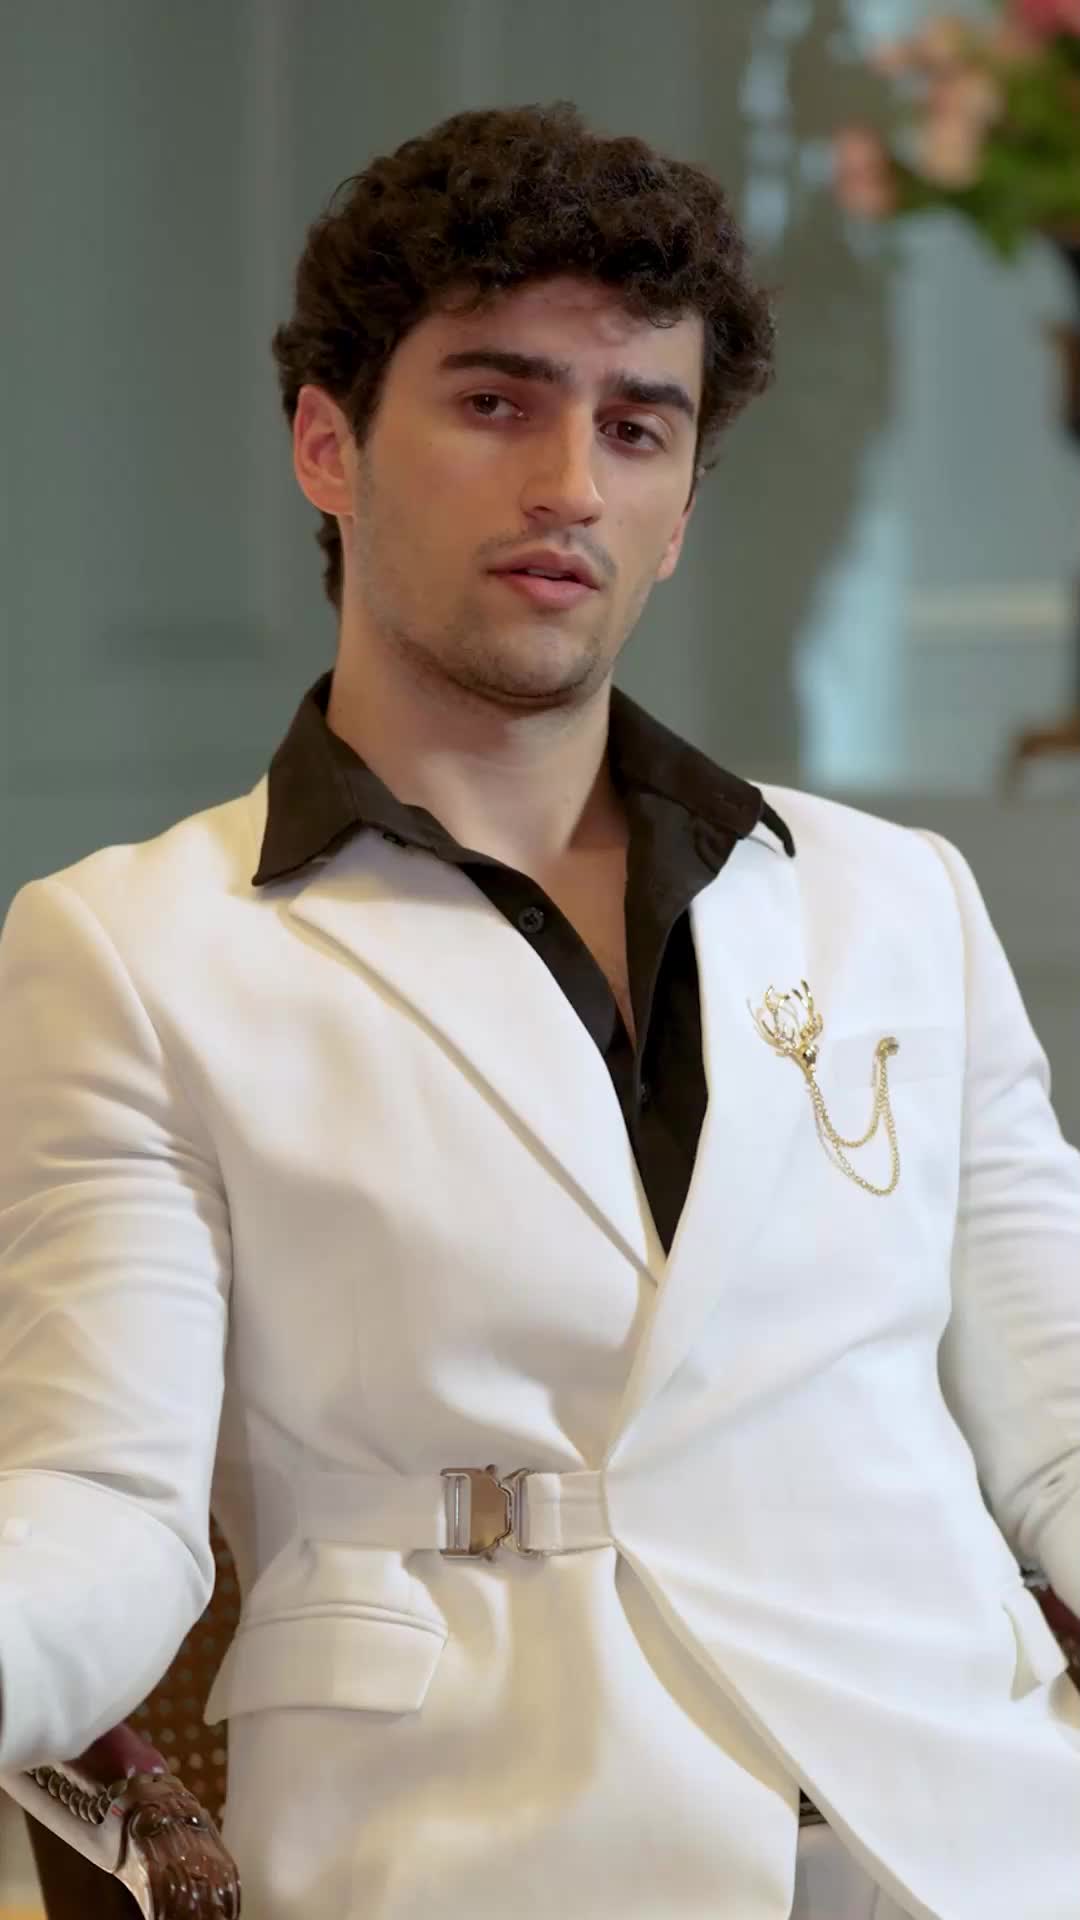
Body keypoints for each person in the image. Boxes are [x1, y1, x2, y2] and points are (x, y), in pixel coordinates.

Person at [0, 99, 1078, 1920]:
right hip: (480, 1844)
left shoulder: (899, 901)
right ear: (329, 445)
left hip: (973, 1839)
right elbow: (105, 1507)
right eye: (498, 402)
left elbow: (1060, 1422)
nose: (572, 480)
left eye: (636, 426)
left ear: (680, 510)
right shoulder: (135, 949)